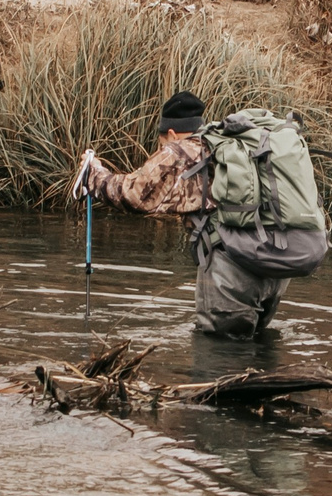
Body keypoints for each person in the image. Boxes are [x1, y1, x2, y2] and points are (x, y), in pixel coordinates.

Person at [76, 90, 282, 339]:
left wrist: (94, 175)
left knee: (217, 353)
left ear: (171, 133)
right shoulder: (227, 145)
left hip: (233, 268)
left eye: (163, 142)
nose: (164, 147)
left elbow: (134, 195)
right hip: (274, 263)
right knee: (259, 350)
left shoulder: (180, 151)